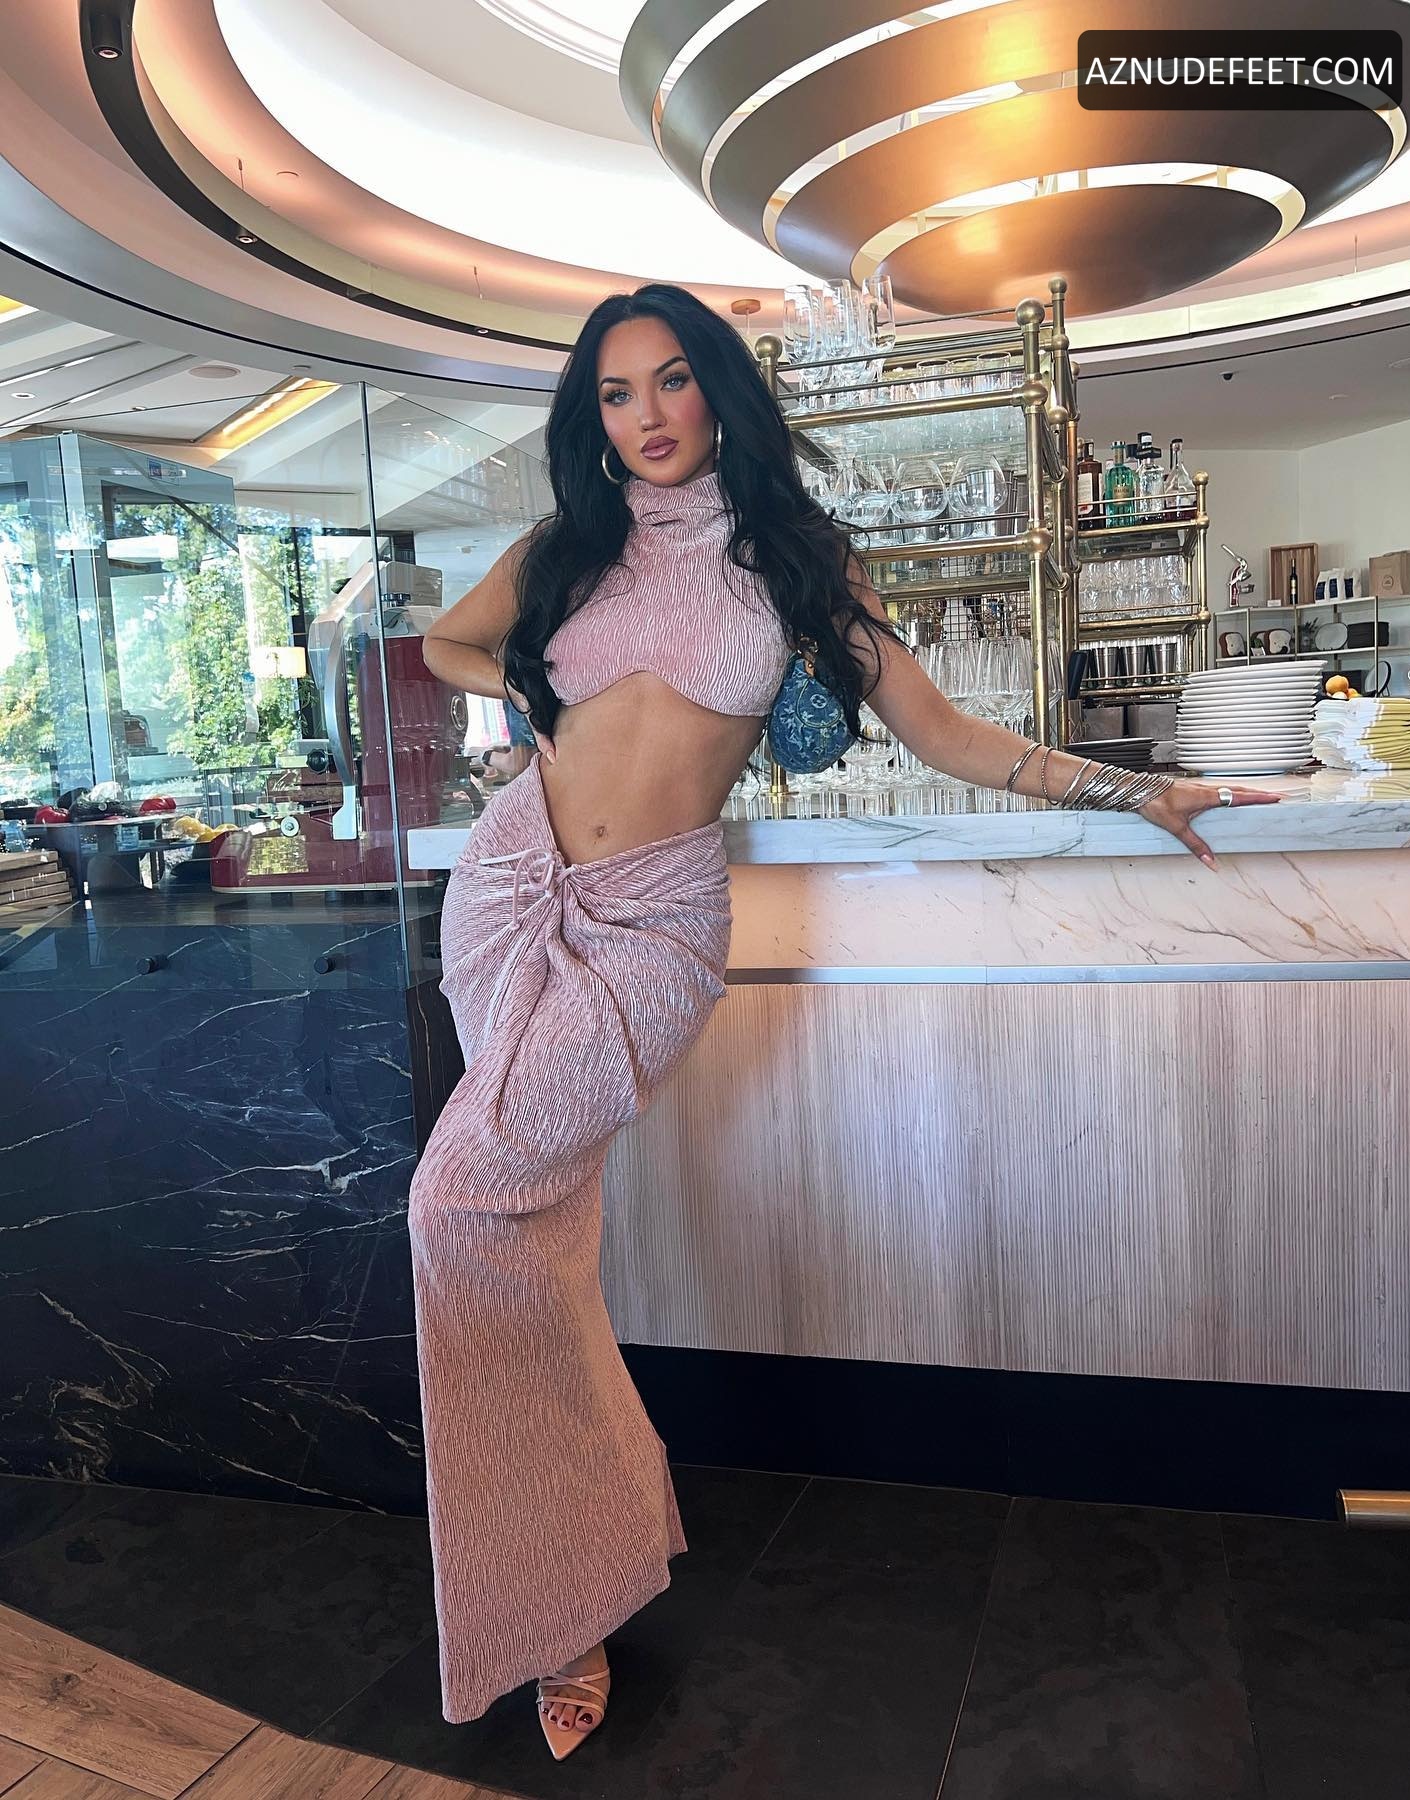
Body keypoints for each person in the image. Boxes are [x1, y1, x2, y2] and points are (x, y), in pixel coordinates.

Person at [413, 281, 1279, 1760]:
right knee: (532, 1249)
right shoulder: (565, 549)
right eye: (615, 393)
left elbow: (943, 733)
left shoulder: (794, 562)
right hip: (508, 887)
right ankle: (574, 1595)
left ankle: (576, 1571)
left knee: (455, 1210)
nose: (646, 415)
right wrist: (537, 697)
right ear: (593, 418)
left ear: (718, 389)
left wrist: (1135, 787)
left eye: (671, 380)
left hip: (650, 927)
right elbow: (446, 644)